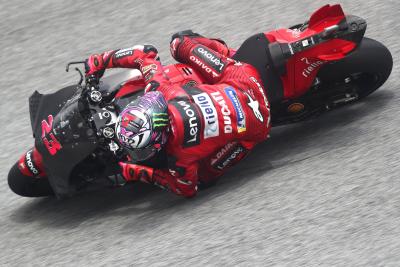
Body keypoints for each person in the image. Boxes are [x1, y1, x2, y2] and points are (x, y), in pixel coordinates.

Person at [85, 30, 271, 197]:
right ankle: (228, 54)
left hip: (260, 126)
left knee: (204, 179)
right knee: (179, 42)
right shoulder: (164, 91)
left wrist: (135, 172)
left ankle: (229, 59)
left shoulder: (179, 154)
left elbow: (187, 189)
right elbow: (145, 52)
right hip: (242, 79)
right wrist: (100, 61)